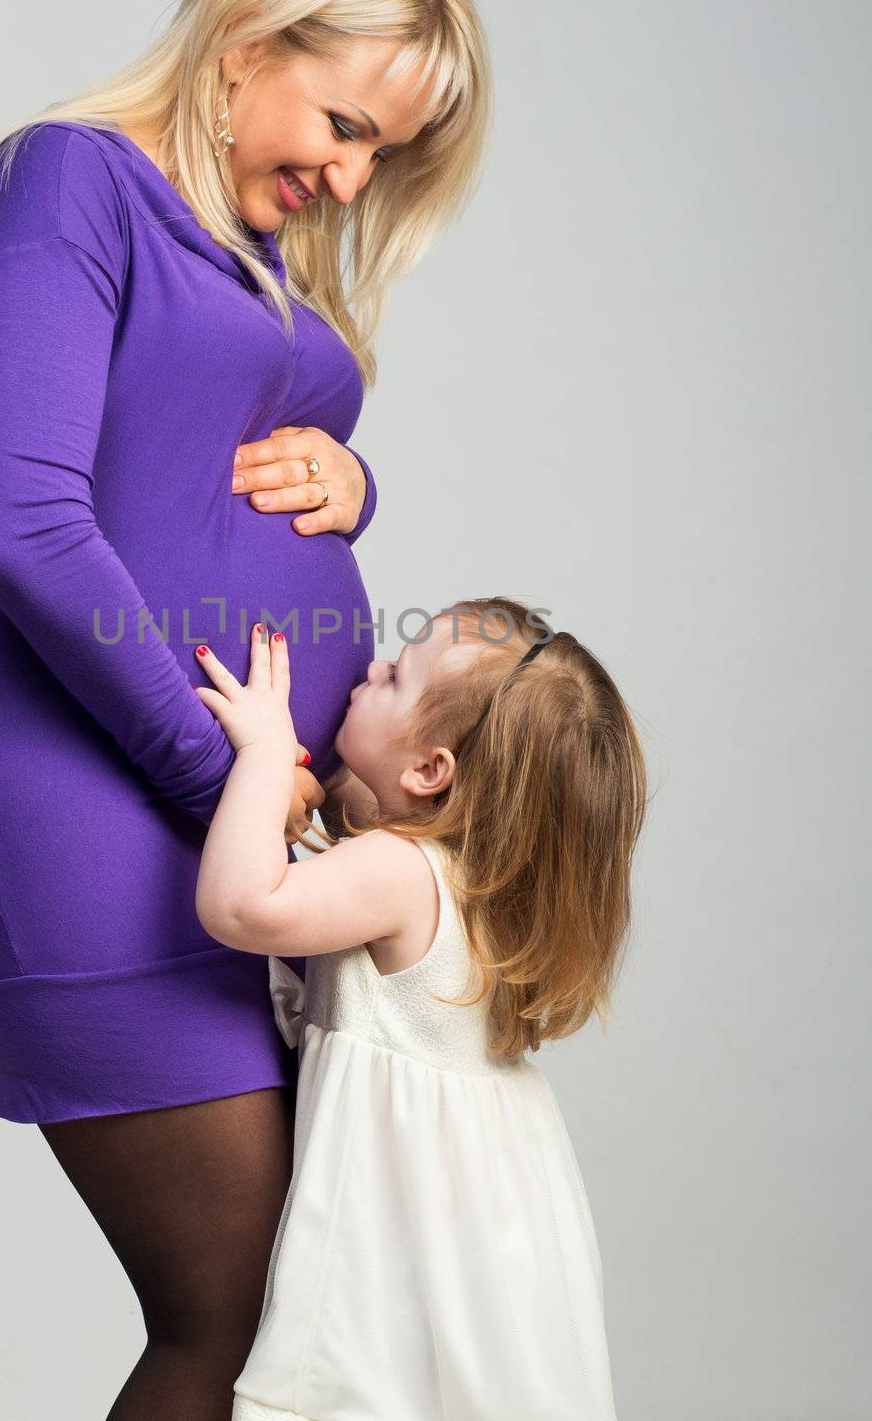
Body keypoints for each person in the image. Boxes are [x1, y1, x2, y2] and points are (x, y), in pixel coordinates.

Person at [0, 0, 494, 1420]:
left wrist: (355, 480)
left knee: (300, 1311)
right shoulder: (68, 182)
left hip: (210, 818)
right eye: (345, 123)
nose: (351, 177)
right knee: (240, 1316)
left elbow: (206, 454)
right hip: (73, 806)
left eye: (384, 158)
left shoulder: (241, 246)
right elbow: (23, 526)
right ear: (242, 47)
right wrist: (233, 773)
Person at [191, 599, 649, 1421]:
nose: (368, 671)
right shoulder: (479, 883)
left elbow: (241, 908)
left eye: (395, 676)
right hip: (498, 1210)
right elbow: (356, 816)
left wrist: (263, 753)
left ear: (432, 771)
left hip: (410, 1217)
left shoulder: (400, 873)